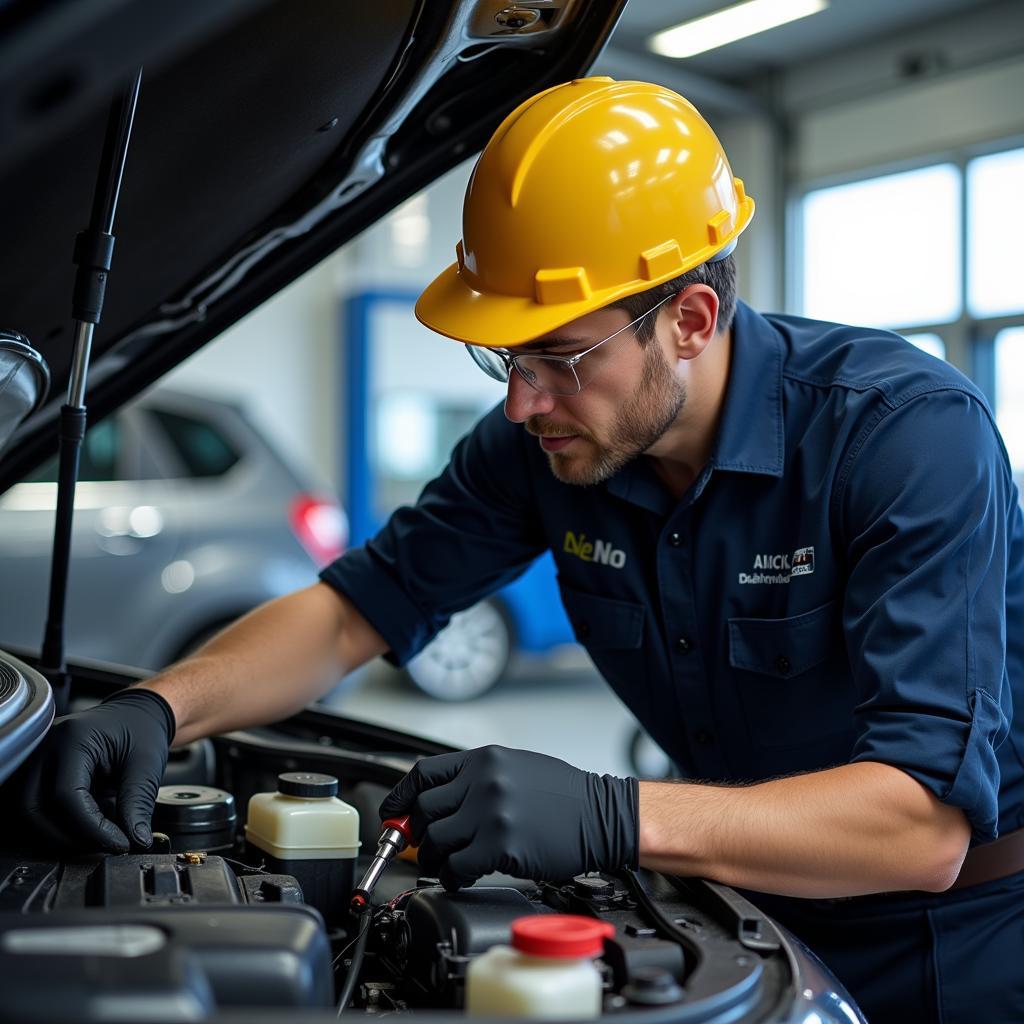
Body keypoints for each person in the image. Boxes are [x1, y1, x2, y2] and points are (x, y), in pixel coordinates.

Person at [16, 78, 1024, 1022]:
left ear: (689, 319)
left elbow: (919, 827)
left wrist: (608, 816)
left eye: (559, 357)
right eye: (506, 356)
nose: (520, 400)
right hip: (737, 916)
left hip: (956, 941)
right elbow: (351, 609)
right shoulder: (543, 446)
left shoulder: (903, 437)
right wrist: (159, 705)